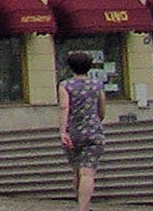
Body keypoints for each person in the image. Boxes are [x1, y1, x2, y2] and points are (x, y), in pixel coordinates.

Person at [58, 50, 105, 211]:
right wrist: (97, 119)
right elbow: (102, 108)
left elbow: (64, 107)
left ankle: (78, 202)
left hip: (74, 132)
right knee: (88, 173)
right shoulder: (97, 84)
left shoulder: (65, 85)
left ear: (70, 67)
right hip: (94, 131)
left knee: (77, 170)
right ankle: (83, 208)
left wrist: (63, 131)